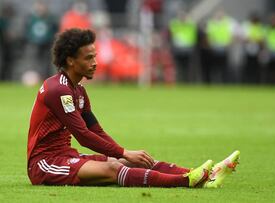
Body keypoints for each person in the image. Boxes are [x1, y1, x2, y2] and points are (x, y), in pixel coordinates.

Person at [27, 28, 240, 188]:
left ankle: (204, 174)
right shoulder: (58, 90)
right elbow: (83, 135)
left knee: (120, 161)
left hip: (66, 155)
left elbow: (95, 130)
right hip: (44, 163)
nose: (95, 62)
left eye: (95, 56)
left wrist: (123, 153)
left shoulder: (79, 90)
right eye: (89, 57)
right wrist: (124, 152)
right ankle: (187, 181)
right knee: (114, 167)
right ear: (71, 61)